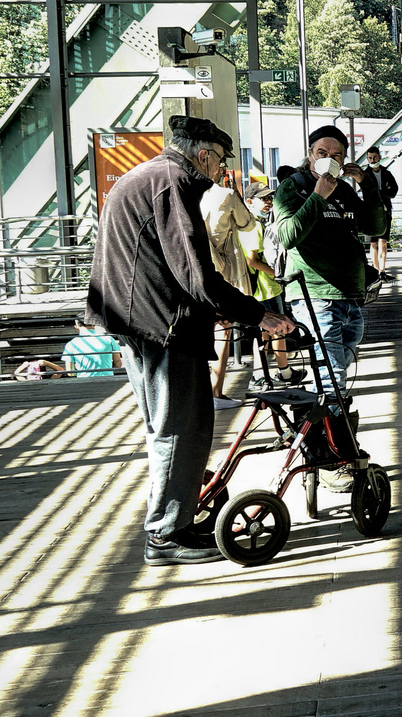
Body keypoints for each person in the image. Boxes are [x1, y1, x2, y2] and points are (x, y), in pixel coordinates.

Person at [84, 115, 295, 567]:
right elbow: (197, 276)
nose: (221, 170)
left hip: (134, 321)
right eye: (219, 159)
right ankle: (165, 534)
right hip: (162, 326)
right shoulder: (174, 184)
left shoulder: (146, 176)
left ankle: (173, 520)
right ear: (202, 154)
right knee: (183, 430)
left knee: (166, 429)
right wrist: (260, 315)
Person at [271, 125, 386, 491]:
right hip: (314, 294)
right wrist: (318, 195)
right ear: (309, 154)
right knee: (332, 377)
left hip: (349, 297)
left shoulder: (346, 190)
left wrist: (366, 183)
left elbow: (376, 226)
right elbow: (288, 235)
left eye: (336, 155)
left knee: (336, 377)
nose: (329, 160)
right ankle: (330, 459)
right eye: (322, 152)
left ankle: (335, 447)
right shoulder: (295, 187)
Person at [201, 171, 256, 409]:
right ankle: (216, 391)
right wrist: (237, 195)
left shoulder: (187, 194)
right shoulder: (226, 194)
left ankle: (199, 392)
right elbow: (248, 223)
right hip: (222, 273)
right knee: (222, 331)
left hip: (192, 271)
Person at [240, 183, 303, 390]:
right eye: (263, 199)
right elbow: (251, 260)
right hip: (265, 287)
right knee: (279, 329)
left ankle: (260, 374)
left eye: (269, 198)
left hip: (262, 287)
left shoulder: (254, 222)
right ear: (249, 202)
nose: (268, 202)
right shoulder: (254, 225)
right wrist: (278, 274)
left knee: (264, 332)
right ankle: (283, 372)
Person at [360, 146, 399, 281]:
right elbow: (367, 193)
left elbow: (393, 191)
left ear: (379, 157)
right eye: (370, 158)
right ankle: (376, 271)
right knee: (374, 243)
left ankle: (382, 270)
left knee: (383, 242)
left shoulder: (387, 173)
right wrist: (383, 191)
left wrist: (377, 192)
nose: (372, 160)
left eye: (374, 157)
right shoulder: (365, 175)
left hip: (385, 211)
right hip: (371, 212)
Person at [63, 312, 122, 378]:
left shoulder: (71, 344)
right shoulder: (109, 339)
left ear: (76, 327)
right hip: (107, 378)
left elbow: (70, 372)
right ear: (93, 324)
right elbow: (118, 363)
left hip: (83, 381)